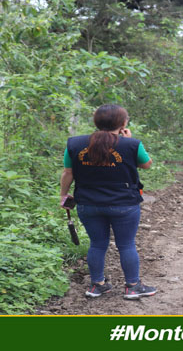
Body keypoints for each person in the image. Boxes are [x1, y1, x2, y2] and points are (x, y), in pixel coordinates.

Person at [60, 104, 157, 299]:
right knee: (126, 244)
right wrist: (127, 142)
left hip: (88, 203)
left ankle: (97, 285)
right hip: (124, 204)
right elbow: (146, 165)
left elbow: (68, 172)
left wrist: (64, 195)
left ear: (96, 122)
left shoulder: (75, 144)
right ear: (123, 123)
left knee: (97, 244)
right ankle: (132, 287)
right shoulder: (131, 144)